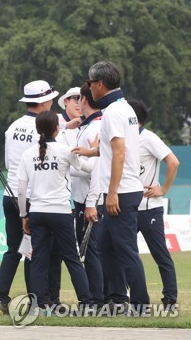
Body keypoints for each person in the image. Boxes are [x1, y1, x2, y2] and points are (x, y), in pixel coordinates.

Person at [74, 60, 149, 313]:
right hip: (122, 188)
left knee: (125, 249)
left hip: (122, 190)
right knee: (105, 246)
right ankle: (116, 300)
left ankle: (141, 305)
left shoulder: (114, 113)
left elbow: (119, 154)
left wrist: (113, 192)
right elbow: (112, 149)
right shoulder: (122, 108)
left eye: (89, 83)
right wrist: (90, 151)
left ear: (99, 84)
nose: (89, 89)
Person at [0, 80, 59, 315]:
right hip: (33, 197)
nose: (52, 103)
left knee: (12, 249)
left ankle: (0, 300)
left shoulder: (13, 127)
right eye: (50, 99)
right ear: (43, 102)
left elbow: (10, 163)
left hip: (11, 193)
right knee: (35, 252)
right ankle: (35, 301)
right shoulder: (44, 128)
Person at [17, 110, 93, 312]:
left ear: (37, 129)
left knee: (38, 260)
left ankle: (39, 303)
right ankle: (86, 302)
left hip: (37, 212)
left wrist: (24, 215)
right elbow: (88, 169)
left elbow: (22, 190)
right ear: (57, 129)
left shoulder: (27, 154)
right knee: (71, 259)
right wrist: (95, 151)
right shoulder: (65, 150)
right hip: (60, 212)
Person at [129, 99, 179, 307]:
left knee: (160, 255)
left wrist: (163, 189)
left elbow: (173, 162)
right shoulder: (125, 139)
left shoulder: (148, 138)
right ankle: (130, 298)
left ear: (133, 118)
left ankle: (170, 298)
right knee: (127, 257)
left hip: (149, 209)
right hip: (127, 208)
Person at [71, 83, 104, 305]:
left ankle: (96, 300)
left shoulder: (94, 128)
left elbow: (94, 167)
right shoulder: (90, 125)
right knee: (91, 251)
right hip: (86, 196)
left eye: (77, 99)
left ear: (84, 99)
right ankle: (99, 298)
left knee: (90, 252)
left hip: (89, 198)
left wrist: (66, 166)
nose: (76, 104)